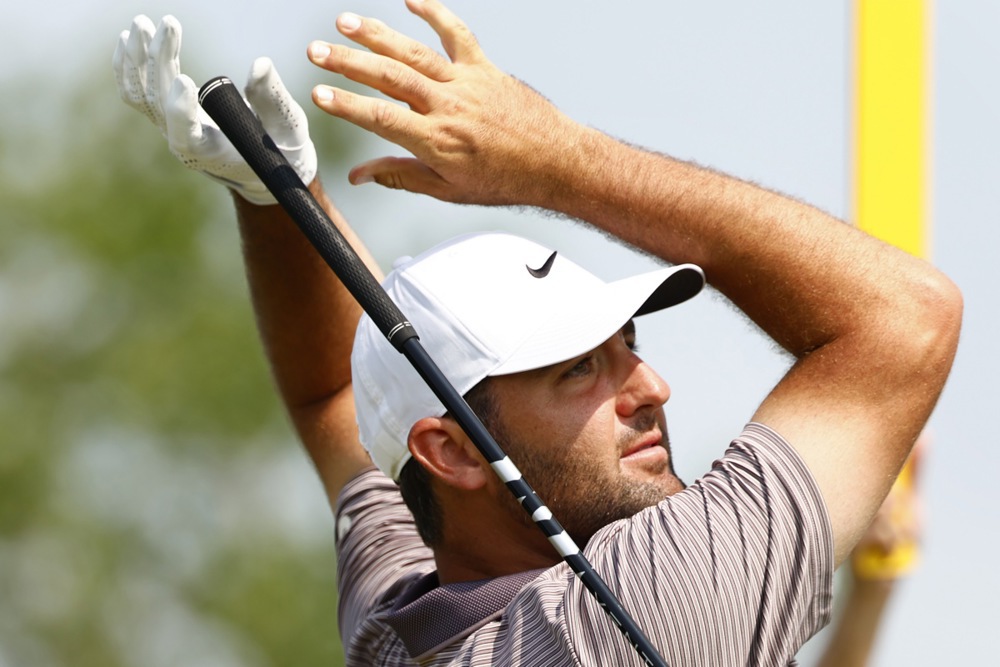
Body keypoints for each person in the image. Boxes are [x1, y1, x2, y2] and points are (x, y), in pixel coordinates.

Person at [114, 2, 962, 665]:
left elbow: (334, 393)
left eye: (631, 349)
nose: (652, 389)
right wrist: (560, 162)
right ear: (451, 451)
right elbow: (905, 317)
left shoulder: (400, 622)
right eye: (579, 369)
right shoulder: (642, 609)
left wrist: (279, 199)